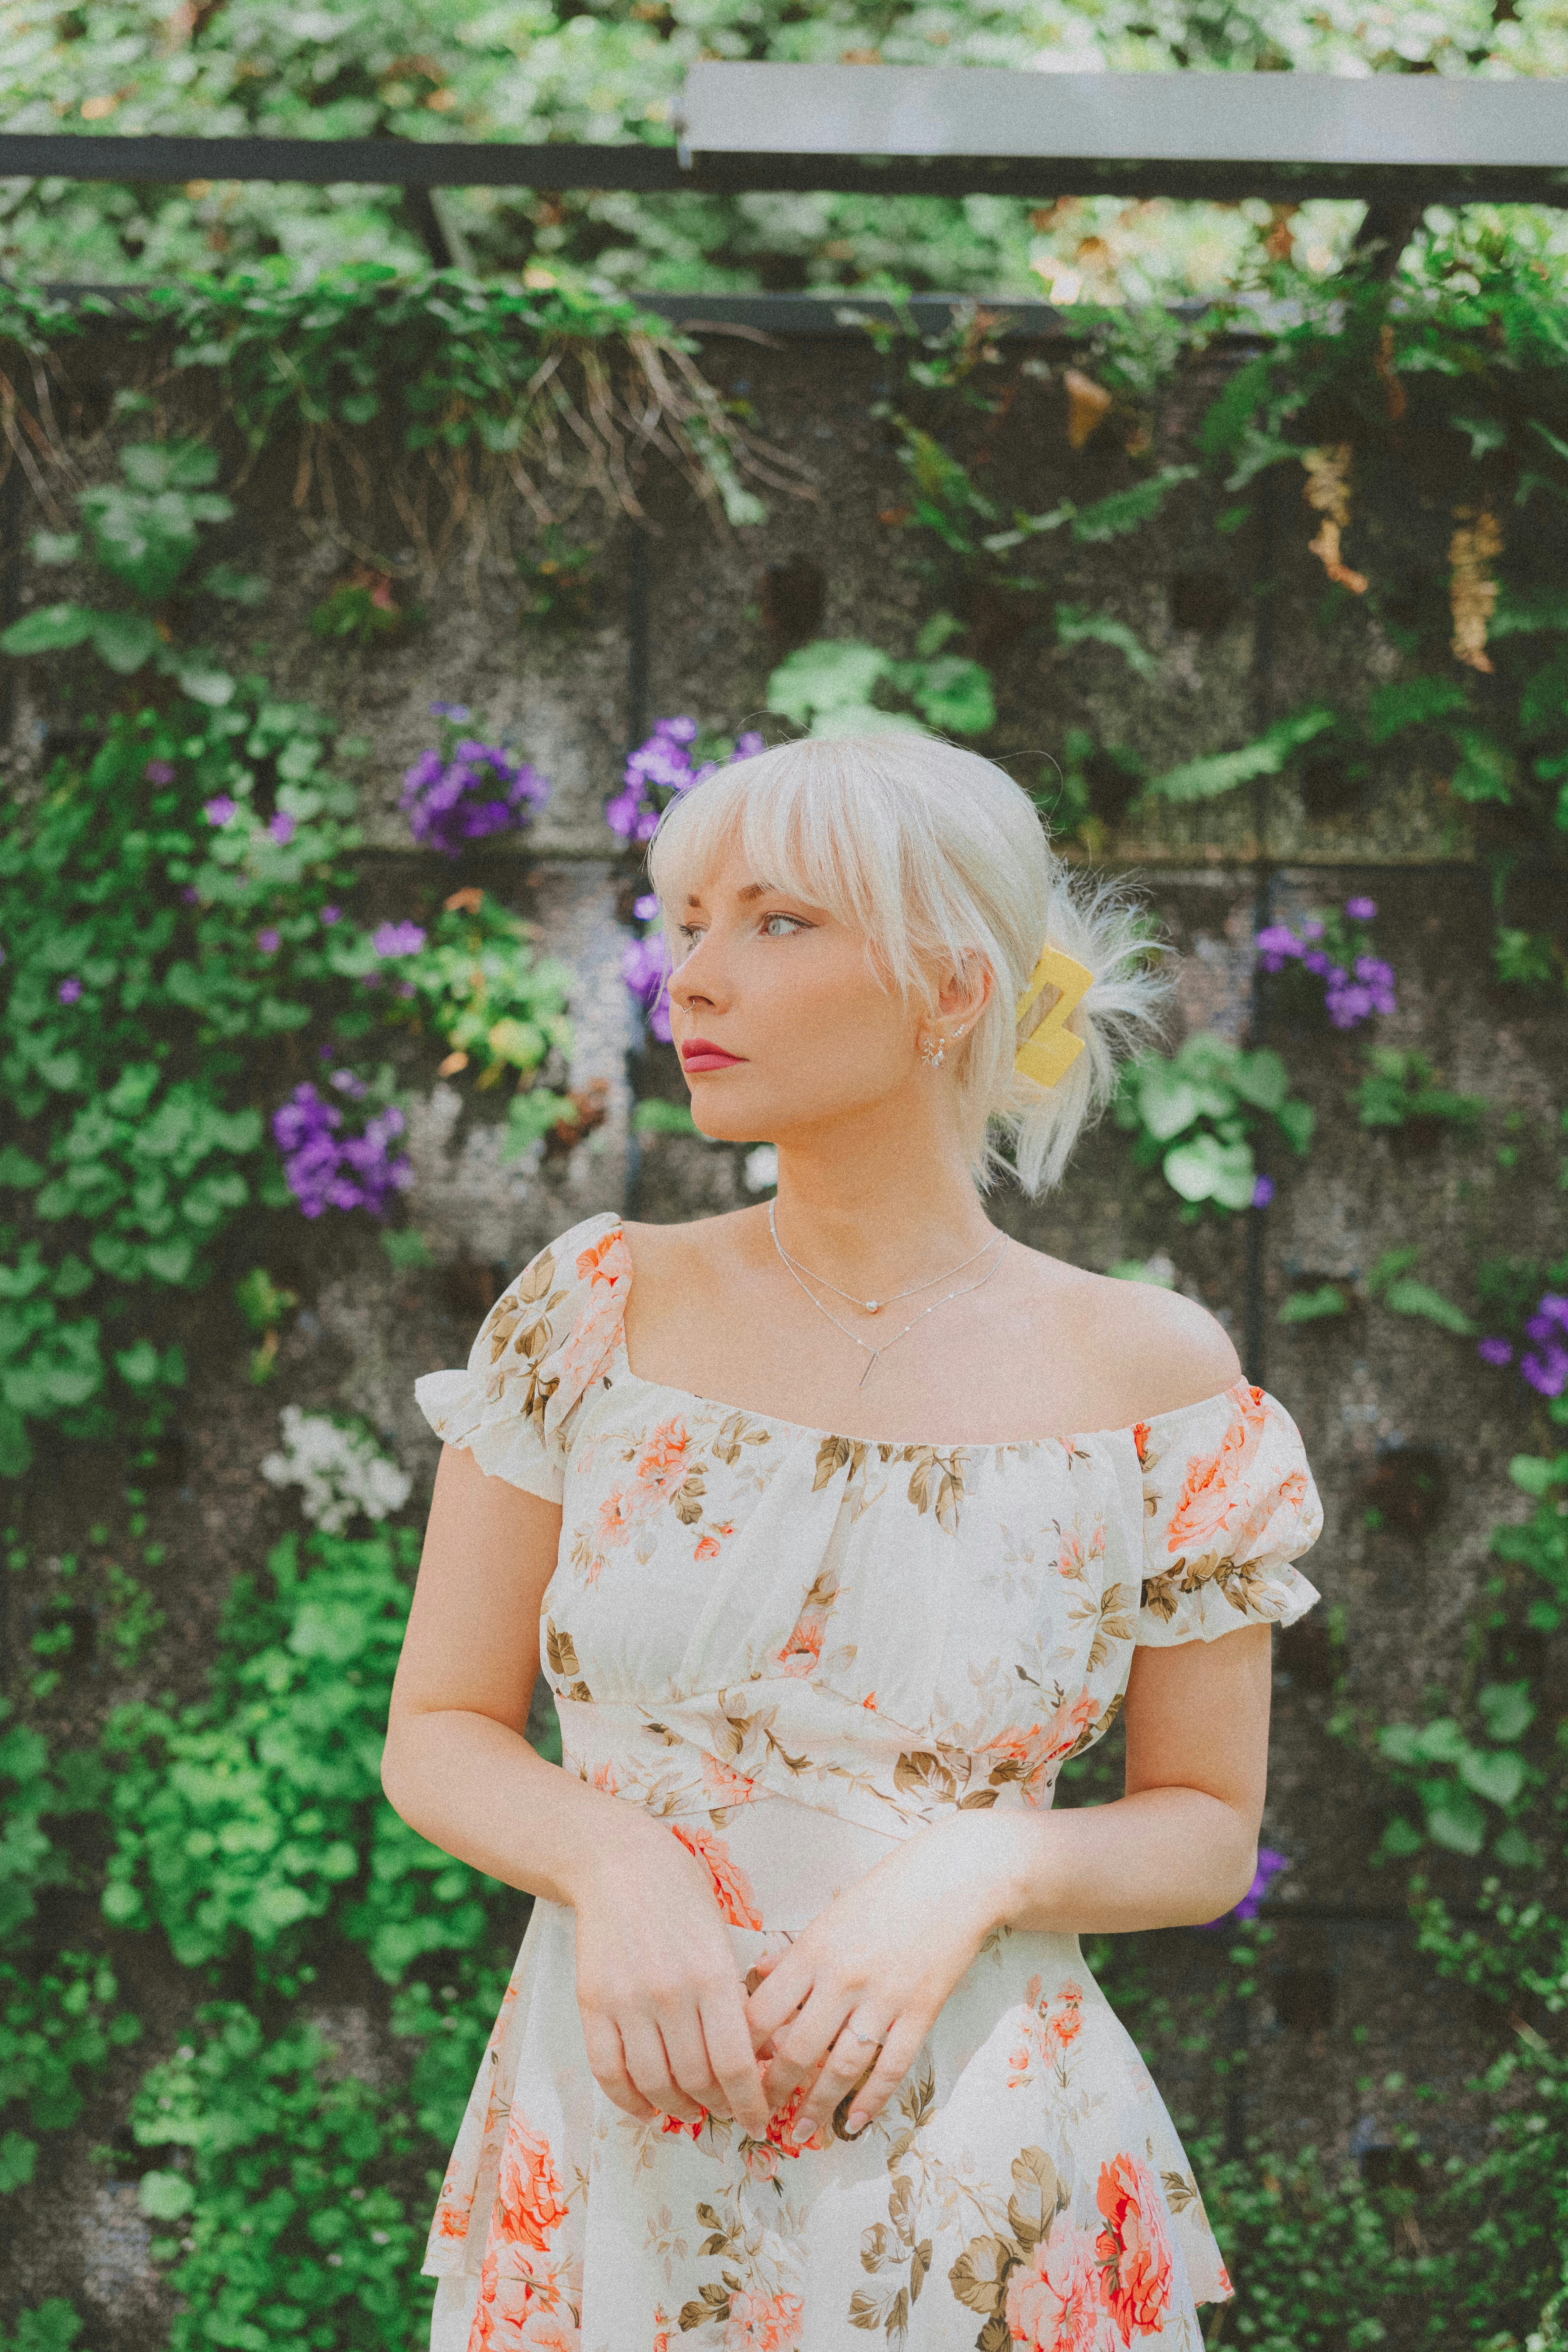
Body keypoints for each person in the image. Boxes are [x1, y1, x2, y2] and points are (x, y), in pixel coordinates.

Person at [382, 731, 1325, 2352]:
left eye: (775, 923)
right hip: (617, 2153)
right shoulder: (593, 1308)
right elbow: (439, 1732)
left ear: (950, 987)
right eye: (686, 922)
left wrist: (975, 1868)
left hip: (980, 2170)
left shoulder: (1155, 1379)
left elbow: (1201, 1829)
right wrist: (615, 1861)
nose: (692, 977)